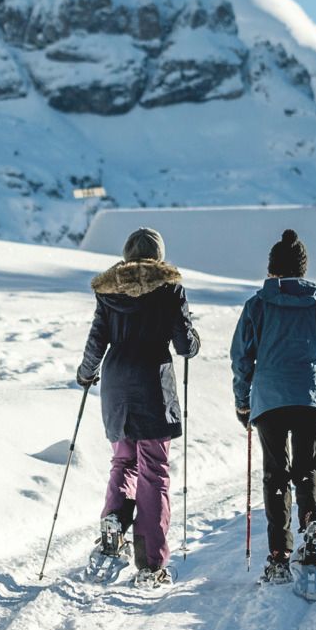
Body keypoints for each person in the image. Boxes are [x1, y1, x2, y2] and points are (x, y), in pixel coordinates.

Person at [77, 226, 200, 587]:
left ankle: (114, 518)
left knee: (123, 460)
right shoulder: (170, 288)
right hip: (152, 386)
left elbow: (97, 339)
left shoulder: (109, 290)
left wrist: (86, 374)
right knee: (153, 470)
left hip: (116, 386)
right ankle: (150, 563)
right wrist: (192, 340)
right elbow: (182, 344)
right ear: (158, 257)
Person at [229, 229, 316, 584]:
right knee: (307, 467)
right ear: (302, 270)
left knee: (275, 475)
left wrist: (242, 402)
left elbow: (241, 358)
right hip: (311, 397)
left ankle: (280, 556)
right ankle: (313, 521)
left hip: (269, 399)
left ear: (272, 269)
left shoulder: (257, 305)